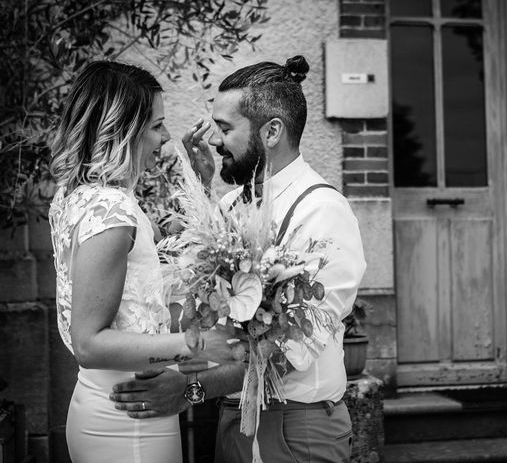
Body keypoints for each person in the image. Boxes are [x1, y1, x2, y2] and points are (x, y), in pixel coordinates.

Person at [111, 55, 367, 462]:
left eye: (226, 129)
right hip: (233, 419)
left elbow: (290, 351)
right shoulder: (233, 203)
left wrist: (189, 389)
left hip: (295, 429)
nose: (214, 141)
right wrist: (201, 187)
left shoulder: (322, 212)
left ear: (271, 132)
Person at [48, 60, 241, 463]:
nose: (167, 137)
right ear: (123, 130)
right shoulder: (112, 210)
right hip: (129, 420)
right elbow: (89, 343)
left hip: (115, 403)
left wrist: (200, 185)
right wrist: (200, 346)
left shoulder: (77, 196)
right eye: (157, 125)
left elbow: (144, 302)